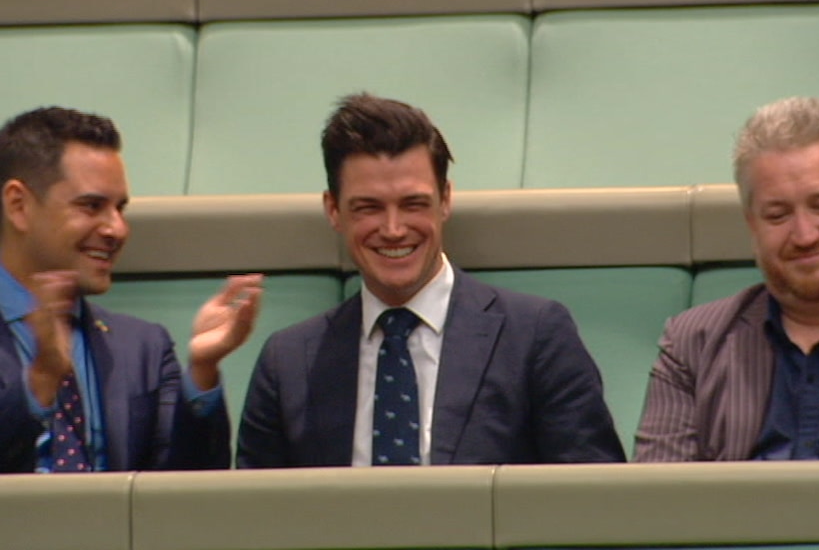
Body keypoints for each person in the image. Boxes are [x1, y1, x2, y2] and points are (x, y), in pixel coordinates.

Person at [238, 93, 624, 467]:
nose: (393, 229)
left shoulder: (535, 337)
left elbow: (594, 504)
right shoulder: (288, 362)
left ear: (446, 201)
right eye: (369, 207)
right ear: (333, 210)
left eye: (413, 204)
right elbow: (251, 519)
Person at [0, 106, 263, 472]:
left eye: (120, 209)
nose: (117, 229)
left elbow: (185, 499)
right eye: (91, 206)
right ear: (18, 205)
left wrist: (203, 369)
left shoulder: (143, 348)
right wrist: (41, 382)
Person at [636, 96, 819, 461]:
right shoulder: (692, 344)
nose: (804, 235)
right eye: (777, 215)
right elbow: (659, 502)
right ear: (751, 226)